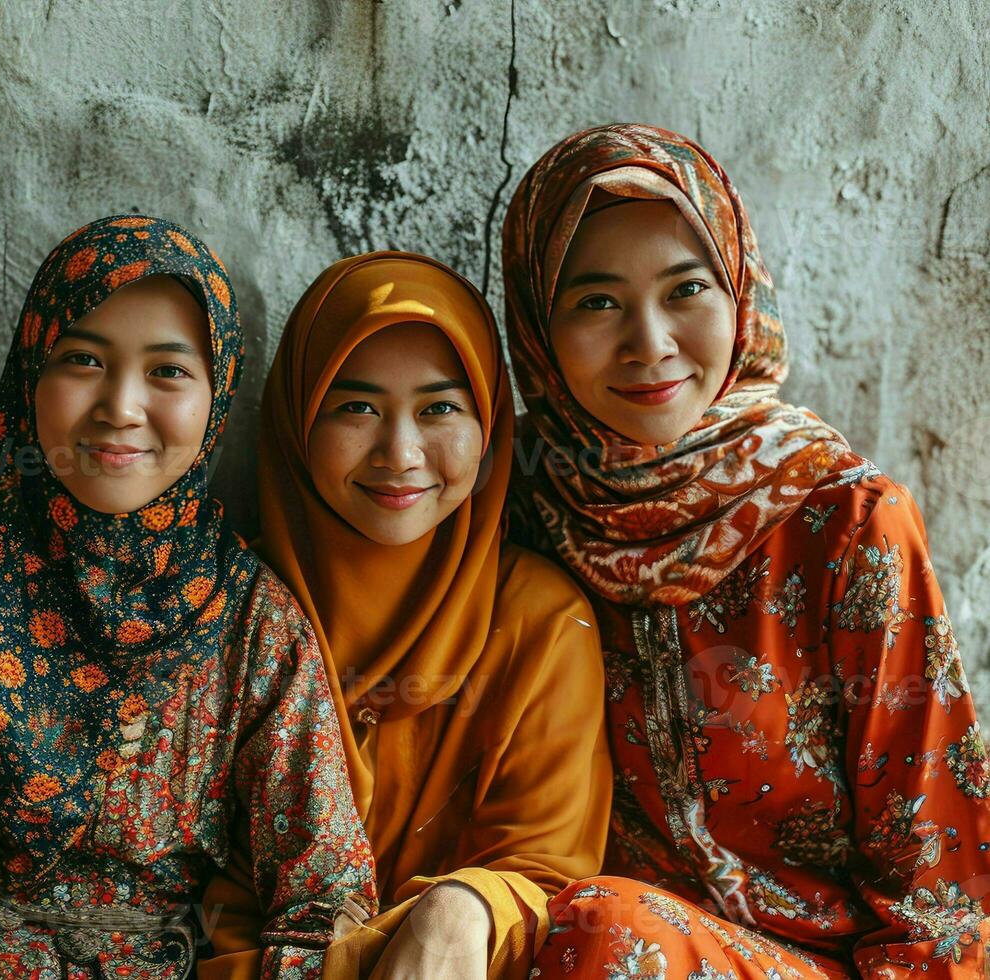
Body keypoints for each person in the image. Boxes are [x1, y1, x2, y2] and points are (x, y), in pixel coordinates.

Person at [0, 215, 376, 980]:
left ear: (218, 397)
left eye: (168, 371)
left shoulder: (253, 624)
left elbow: (325, 896)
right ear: (30, 376)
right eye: (82, 359)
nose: (121, 406)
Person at [504, 123, 990, 978]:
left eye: (686, 288)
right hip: (558, 947)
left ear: (740, 291)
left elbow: (934, 872)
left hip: (808, 963)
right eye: (595, 300)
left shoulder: (842, 516)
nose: (649, 342)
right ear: (538, 325)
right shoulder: (515, 500)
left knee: (605, 931)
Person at [199, 252, 611, 980]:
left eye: (440, 408)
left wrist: (460, 908)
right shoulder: (230, 612)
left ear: (489, 421)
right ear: (297, 419)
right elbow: (203, 900)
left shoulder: (540, 624)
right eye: (355, 407)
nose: (400, 452)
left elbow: (547, 879)